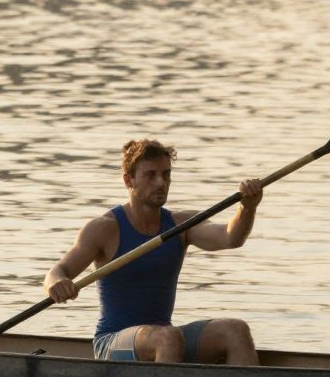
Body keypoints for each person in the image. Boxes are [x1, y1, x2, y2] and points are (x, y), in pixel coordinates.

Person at [41, 137, 265, 364]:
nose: (161, 182)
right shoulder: (104, 228)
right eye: (151, 175)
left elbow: (231, 237)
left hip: (165, 339)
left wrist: (247, 207)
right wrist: (57, 284)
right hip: (113, 343)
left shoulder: (181, 224)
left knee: (236, 330)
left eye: (166, 174)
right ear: (128, 180)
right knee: (166, 337)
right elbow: (57, 271)